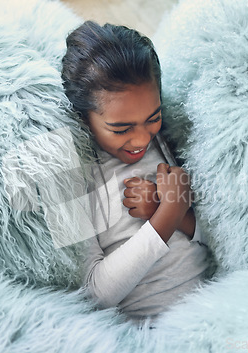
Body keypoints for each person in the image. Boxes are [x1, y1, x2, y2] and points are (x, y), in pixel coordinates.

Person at [61, 21, 209, 323]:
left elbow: (219, 238)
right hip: (149, 327)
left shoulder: (164, 141)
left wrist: (171, 211)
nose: (142, 139)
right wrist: (166, 217)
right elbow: (93, 293)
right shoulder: (67, 173)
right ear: (82, 116)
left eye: (152, 117)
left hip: (217, 299)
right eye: (122, 128)